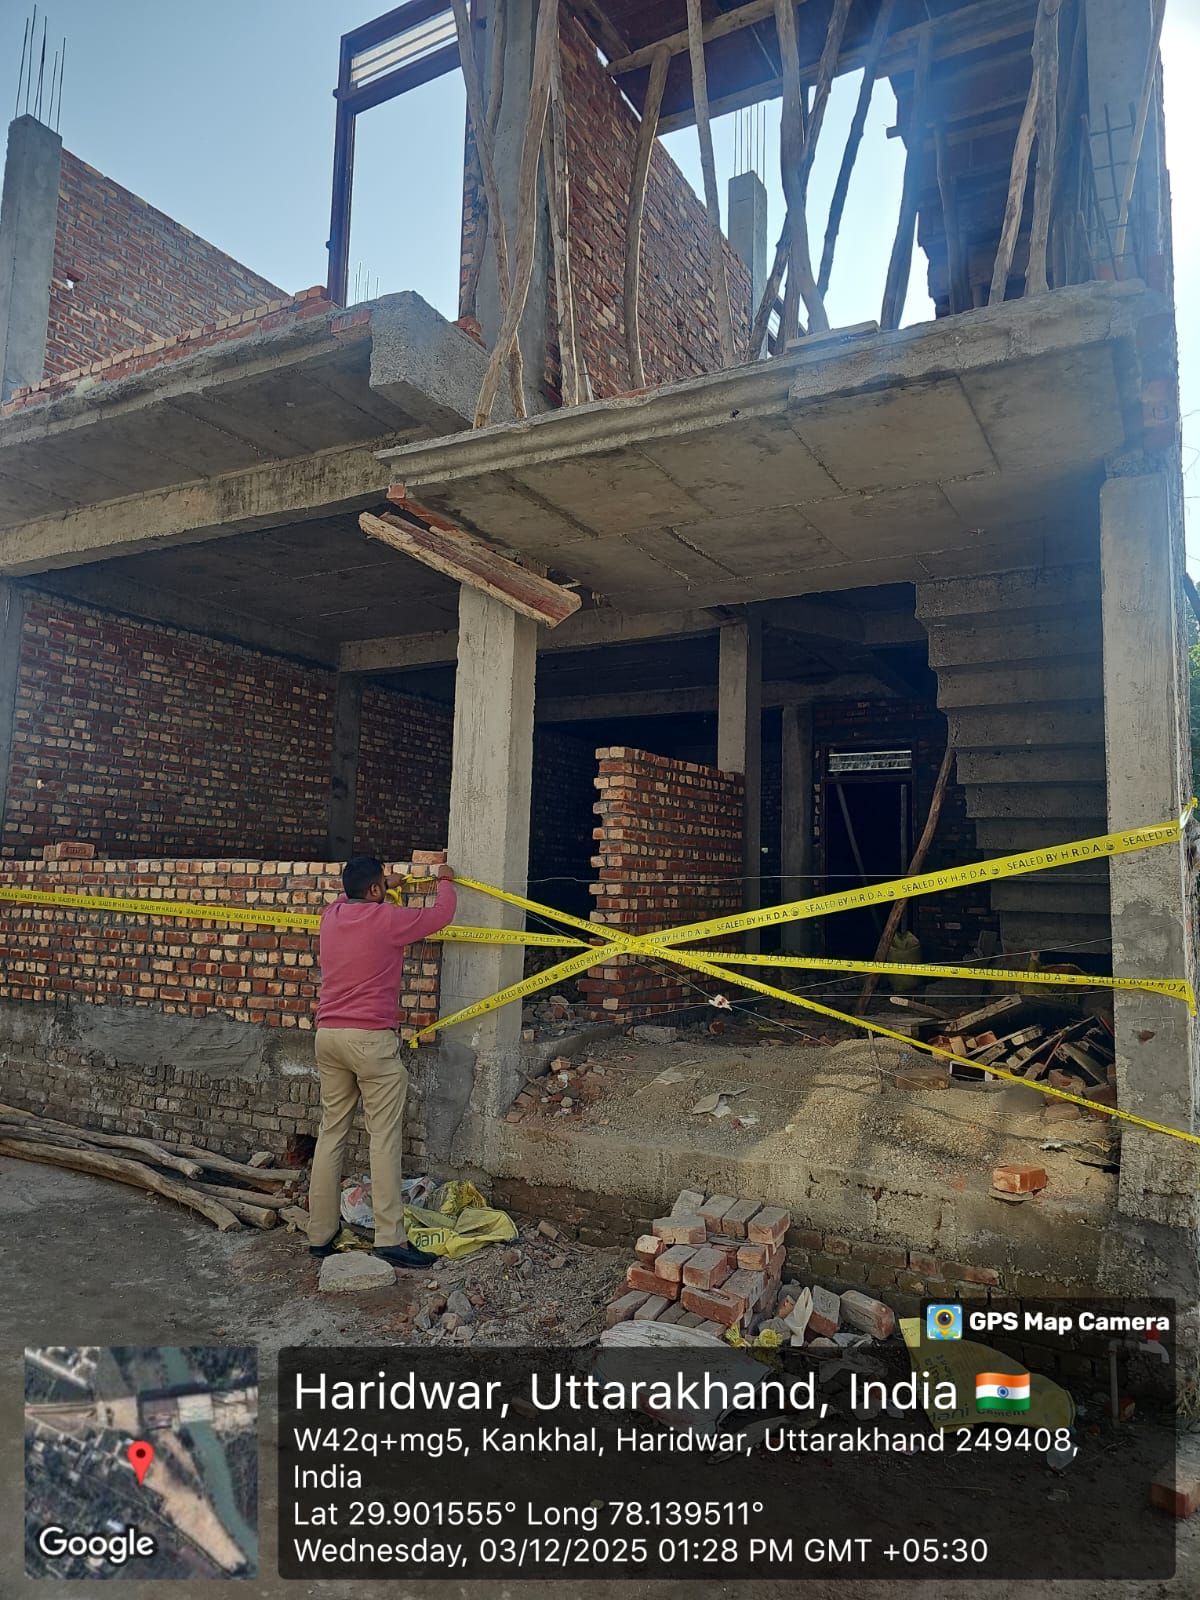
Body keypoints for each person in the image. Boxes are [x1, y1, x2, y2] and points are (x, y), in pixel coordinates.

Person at [308, 855, 458, 1268]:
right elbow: (441, 915)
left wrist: (380, 885)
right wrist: (445, 880)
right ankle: (390, 1237)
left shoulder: (331, 916)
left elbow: (351, 896)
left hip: (328, 1036)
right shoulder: (388, 919)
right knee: (384, 1138)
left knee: (331, 1133)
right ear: (375, 890)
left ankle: (319, 1235)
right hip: (370, 1041)